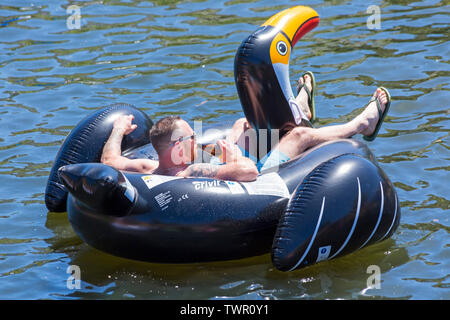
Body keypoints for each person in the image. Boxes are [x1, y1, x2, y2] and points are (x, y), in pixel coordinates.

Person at [101, 72, 390, 179]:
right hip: (259, 174)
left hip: (228, 160)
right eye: (191, 136)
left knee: (242, 124)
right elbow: (249, 171)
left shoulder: (149, 168)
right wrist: (230, 155)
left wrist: (117, 130)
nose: (196, 138)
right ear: (177, 146)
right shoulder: (190, 172)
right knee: (299, 137)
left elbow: (109, 160)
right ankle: (362, 124)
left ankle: (300, 111)